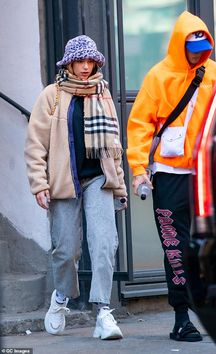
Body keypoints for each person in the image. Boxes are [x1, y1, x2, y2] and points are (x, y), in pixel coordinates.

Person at [25, 35, 127, 340]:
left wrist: (119, 185)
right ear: (69, 63)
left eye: (89, 61)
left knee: (105, 244)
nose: (85, 67)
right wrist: (38, 183)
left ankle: (103, 313)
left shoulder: (103, 93)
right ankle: (61, 298)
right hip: (63, 180)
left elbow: (114, 146)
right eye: (79, 61)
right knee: (66, 249)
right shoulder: (51, 95)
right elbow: (35, 143)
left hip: (99, 178)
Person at [126, 11, 216, 342]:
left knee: (211, 244)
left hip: (204, 173)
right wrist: (138, 171)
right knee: (174, 245)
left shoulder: (214, 74)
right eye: (192, 49)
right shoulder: (158, 77)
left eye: (203, 49)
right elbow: (139, 125)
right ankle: (181, 316)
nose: (197, 55)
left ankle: (208, 306)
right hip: (167, 174)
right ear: (179, 46)